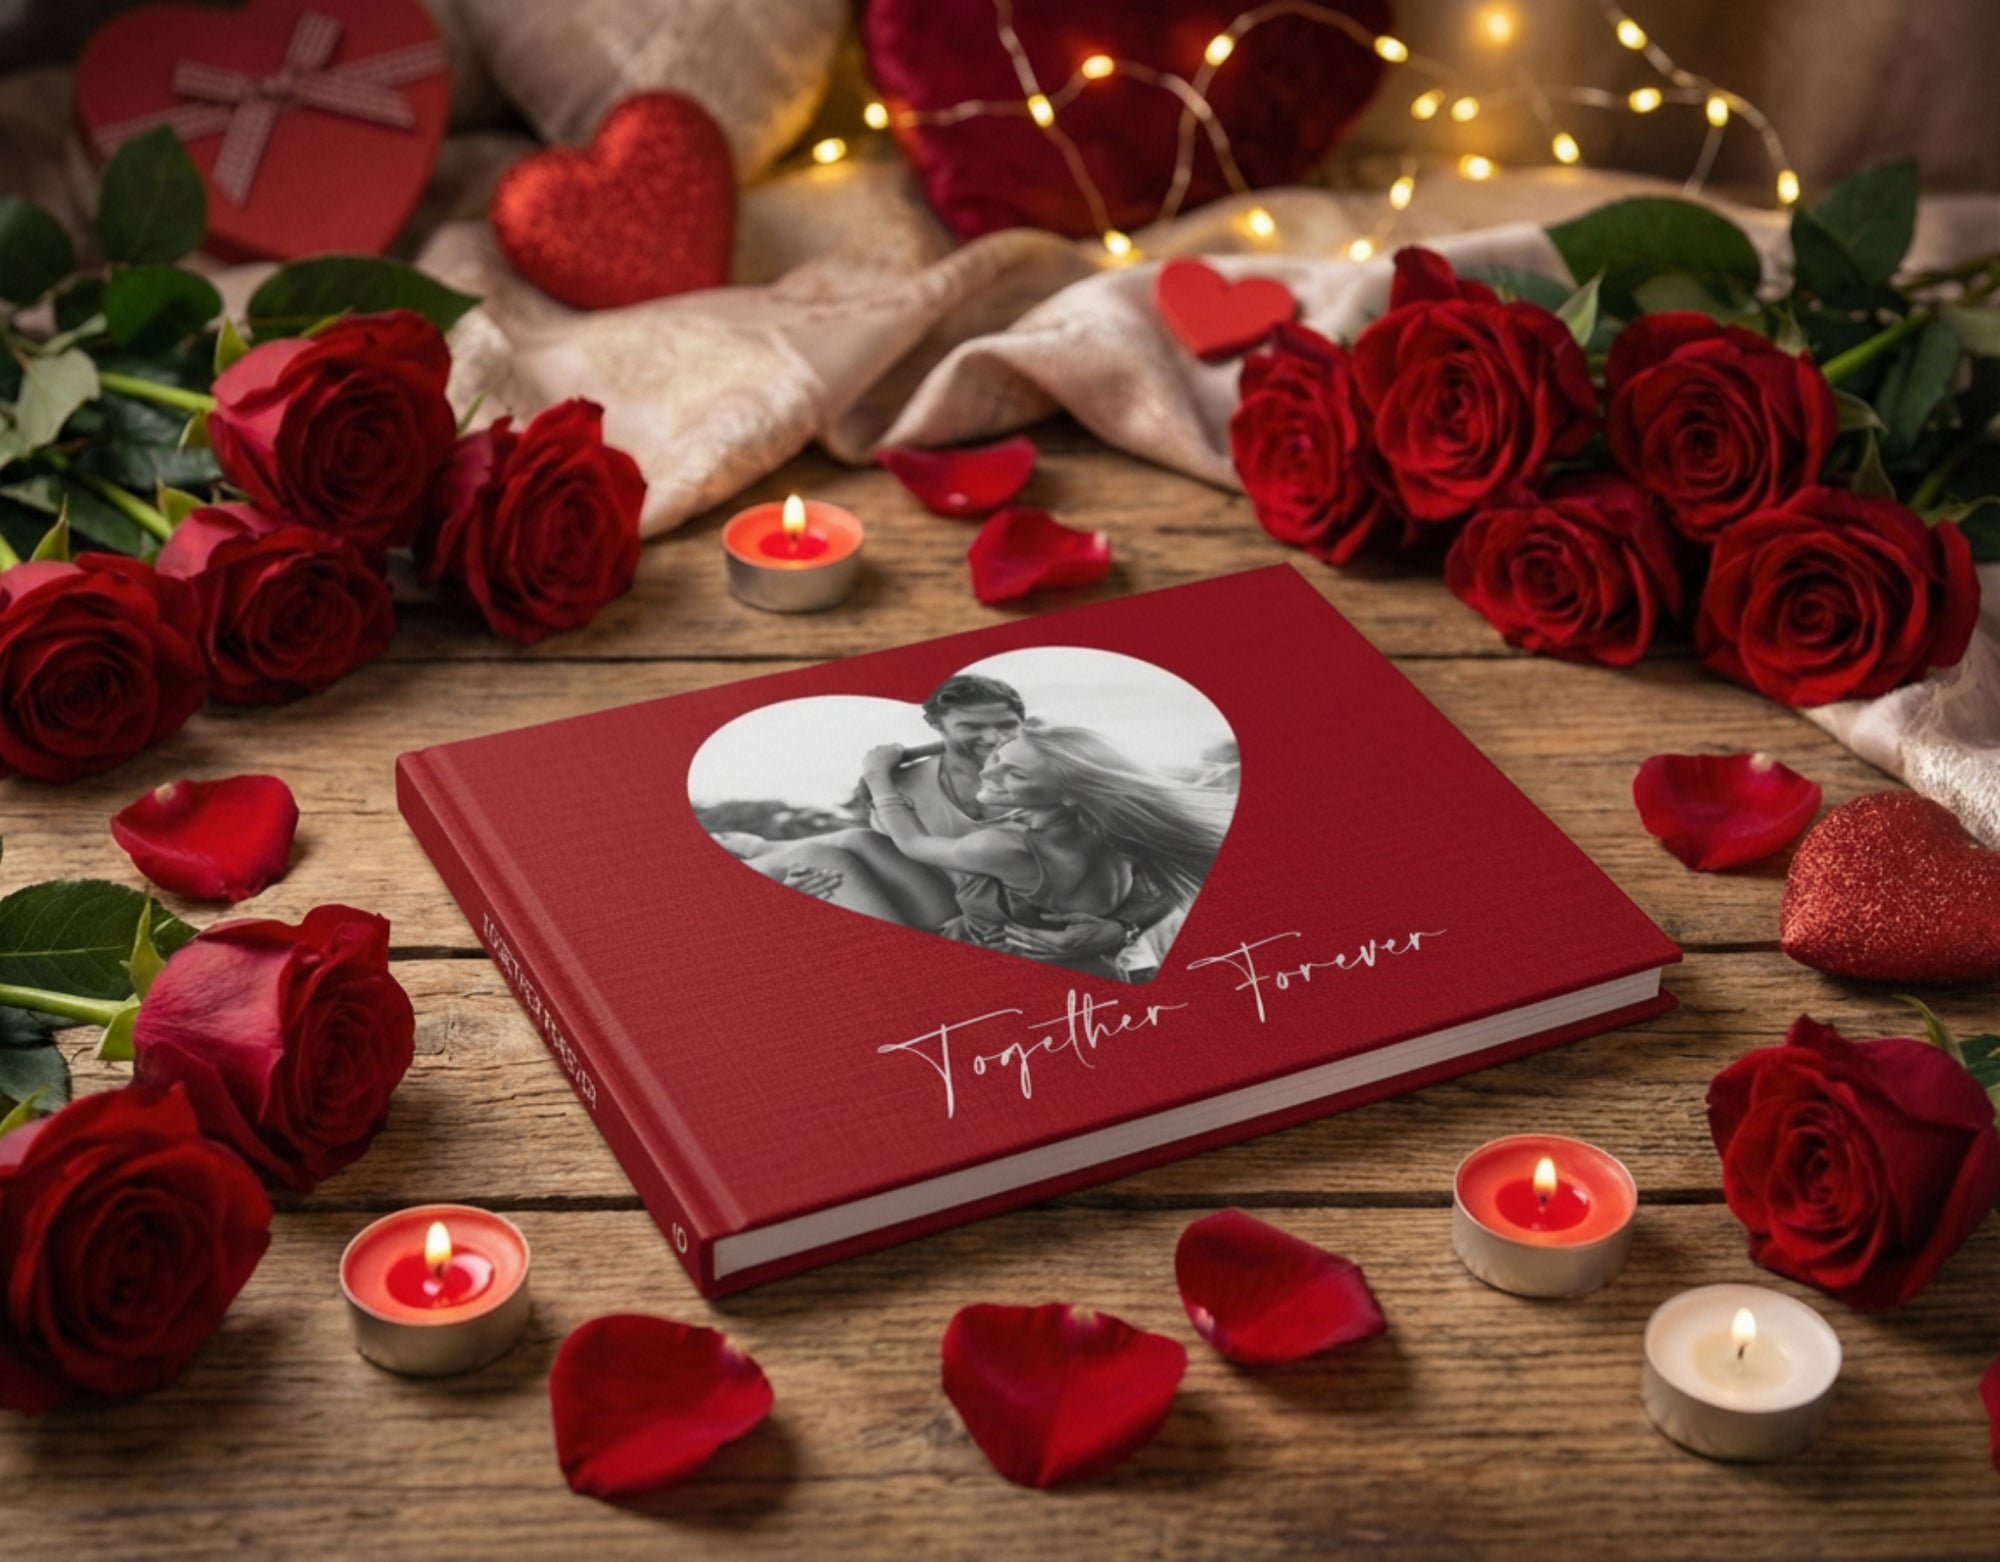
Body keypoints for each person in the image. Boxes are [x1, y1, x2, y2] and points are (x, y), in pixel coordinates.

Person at [859, 721, 1230, 982]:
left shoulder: (1005, 846)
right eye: (999, 757)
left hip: (1029, 983)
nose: (989, 774)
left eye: (1015, 775)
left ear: (1068, 795)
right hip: (1103, 971)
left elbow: (914, 844)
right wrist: (1122, 929)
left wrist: (877, 773)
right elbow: (1168, 887)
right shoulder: (1118, 834)